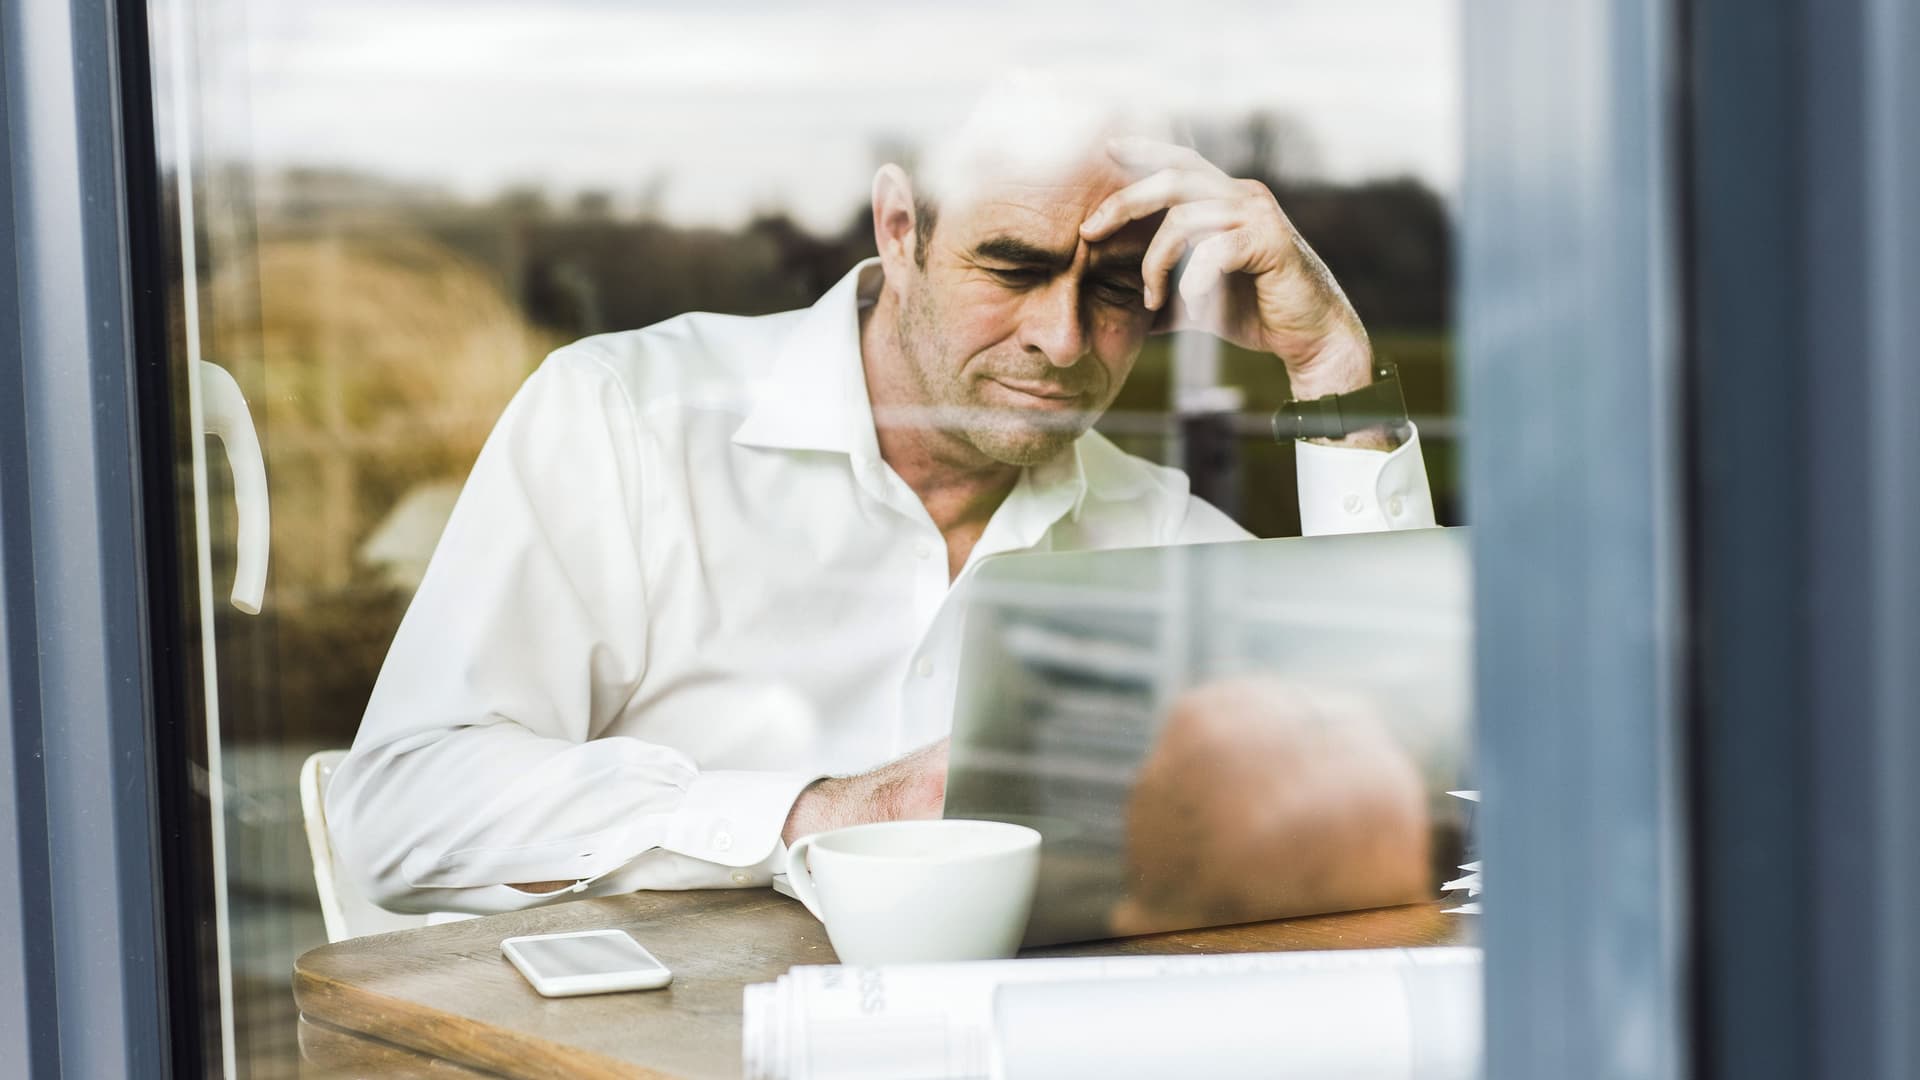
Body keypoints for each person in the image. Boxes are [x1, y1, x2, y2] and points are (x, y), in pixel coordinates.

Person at [328, 79, 1438, 913]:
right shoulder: (628, 419)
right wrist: (824, 816)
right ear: (900, 229)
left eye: (1114, 289)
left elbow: (1405, 788)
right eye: (1013, 267)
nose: (1062, 340)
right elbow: (402, 808)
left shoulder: (1155, 529)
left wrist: (1328, 357)